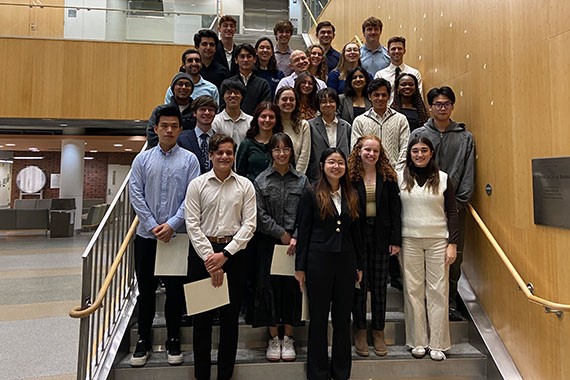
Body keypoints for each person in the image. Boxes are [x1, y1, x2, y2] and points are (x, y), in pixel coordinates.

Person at [129, 105, 201, 367]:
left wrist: (171, 225)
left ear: (180, 129)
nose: (169, 130)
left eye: (174, 126)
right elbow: (135, 193)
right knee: (146, 291)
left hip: (177, 237)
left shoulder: (190, 160)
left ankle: (173, 339)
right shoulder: (142, 159)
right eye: (164, 126)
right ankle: (143, 340)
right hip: (146, 238)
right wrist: (151, 224)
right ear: (156, 128)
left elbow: (191, 198)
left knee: (174, 292)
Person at [184, 133, 257, 380]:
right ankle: (202, 375)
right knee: (201, 323)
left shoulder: (245, 185)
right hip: (202, 256)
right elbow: (192, 225)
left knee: (230, 321)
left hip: (234, 257)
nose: (225, 156)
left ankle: (225, 375)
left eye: (229, 152)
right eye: (220, 152)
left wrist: (224, 255)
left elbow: (249, 225)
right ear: (211, 155)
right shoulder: (197, 185)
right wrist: (210, 259)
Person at [295, 148, 363, 380]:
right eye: (332, 162)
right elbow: (303, 232)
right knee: (319, 318)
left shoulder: (352, 193)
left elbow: (357, 234)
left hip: (346, 262)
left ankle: (342, 371)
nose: (336, 167)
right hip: (318, 261)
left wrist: (359, 265)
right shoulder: (311, 193)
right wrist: (300, 267)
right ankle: (318, 372)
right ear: (323, 165)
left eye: (340, 163)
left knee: (343, 318)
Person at [411, 86, 475, 321]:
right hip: (424, 208)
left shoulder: (464, 137)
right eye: (437, 104)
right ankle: (426, 305)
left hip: (455, 208)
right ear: (430, 107)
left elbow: (468, 173)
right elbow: (411, 166)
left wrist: (459, 202)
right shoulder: (419, 133)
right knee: (425, 259)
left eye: (446, 103)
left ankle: (449, 304)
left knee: (453, 258)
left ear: (452, 106)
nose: (442, 108)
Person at [398, 136, 458, 361]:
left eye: (424, 150)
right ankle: (417, 341)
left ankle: (439, 344)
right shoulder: (399, 178)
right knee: (413, 291)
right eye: (415, 151)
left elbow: (452, 212)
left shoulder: (443, 179)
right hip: (409, 240)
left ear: (431, 153)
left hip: (438, 241)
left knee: (438, 291)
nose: (420, 154)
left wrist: (452, 243)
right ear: (410, 154)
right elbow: (395, 213)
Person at [252, 132, 310, 362]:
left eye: (286, 149)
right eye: (277, 149)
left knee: (292, 290)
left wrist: (295, 236)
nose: (282, 153)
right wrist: (280, 233)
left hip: (295, 246)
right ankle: (273, 338)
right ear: (271, 153)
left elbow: (307, 213)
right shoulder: (261, 180)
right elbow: (258, 214)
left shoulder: (302, 180)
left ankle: (288, 337)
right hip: (269, 243)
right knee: (269, 289)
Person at [347, 135, 401, 357]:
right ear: (359, 151)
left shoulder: (388, 177)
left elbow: (396, 211)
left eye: (375, 151)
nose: (371, 154)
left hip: (381, 237)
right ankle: (360, 329)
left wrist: (395, 240)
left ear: (380, 154)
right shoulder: (350, 177)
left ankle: (378, 330)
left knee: (379, 287)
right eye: (367, 150)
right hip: (357, 237)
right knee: (359, 286)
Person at [351, 78, 410, 172]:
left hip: (395, 173)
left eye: (384, 95)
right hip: (367, 174)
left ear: (389, 97)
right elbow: (355, 150)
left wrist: (398, 171)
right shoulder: (360, 121)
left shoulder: (401, 119)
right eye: (376, 95)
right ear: (370, 96)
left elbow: (405, 148)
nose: (380, 98)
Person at [307, 88, 352, 183]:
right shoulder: (310, 126)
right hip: (318, 177)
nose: (328, 105)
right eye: (323, 102)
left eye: (331, 101)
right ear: (318, 105)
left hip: (342, 176)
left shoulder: (346, 126)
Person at [236, 102, 283, 182]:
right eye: (263, 116)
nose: (267, 120)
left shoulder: (282, 142)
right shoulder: (246, 144)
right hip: (252, 191)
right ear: (257, 118)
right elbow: (240, 175)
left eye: (271, 117)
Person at [220, 43, 272, 116]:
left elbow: (265, 108)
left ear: (254, 59)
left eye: (249, 56)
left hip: (255, 125)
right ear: (236, 60)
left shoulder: (263, 84)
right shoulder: (228, 84)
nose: (245, 60)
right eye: (242, 56)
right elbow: (222, 107)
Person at [147, 73, 194, 148]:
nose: (183, 87)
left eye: (187, 85)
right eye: (180, 84)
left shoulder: (196, 112)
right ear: (173, 88)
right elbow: (151, 133)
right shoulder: (160, 110)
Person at [177, 95, 218, 174]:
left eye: (211, 110)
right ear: (194, 113)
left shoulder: (221, 140)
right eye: (202, 109)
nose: (207, 112)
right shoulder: (182, 139)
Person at [374, 36, 423, 101]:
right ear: (388, 52)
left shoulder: (414, 73)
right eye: (393, 49)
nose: (396, 51)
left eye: (399, 49)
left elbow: (419, 98)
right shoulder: (380, 75)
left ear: (404, 51)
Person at [275, 86, 311, 173]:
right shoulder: (272, 123)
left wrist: (297, 177)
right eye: (284, 99)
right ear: (277, 102)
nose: (288, 102)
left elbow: (304, 155)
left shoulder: (303, 125)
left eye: (291, 99)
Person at [212, 79, 253, 149]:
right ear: (223, 96)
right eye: (229, 92)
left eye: (236, 92)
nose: (233, 95)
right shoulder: (215, 121)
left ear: (242, 96)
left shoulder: (251, 121)